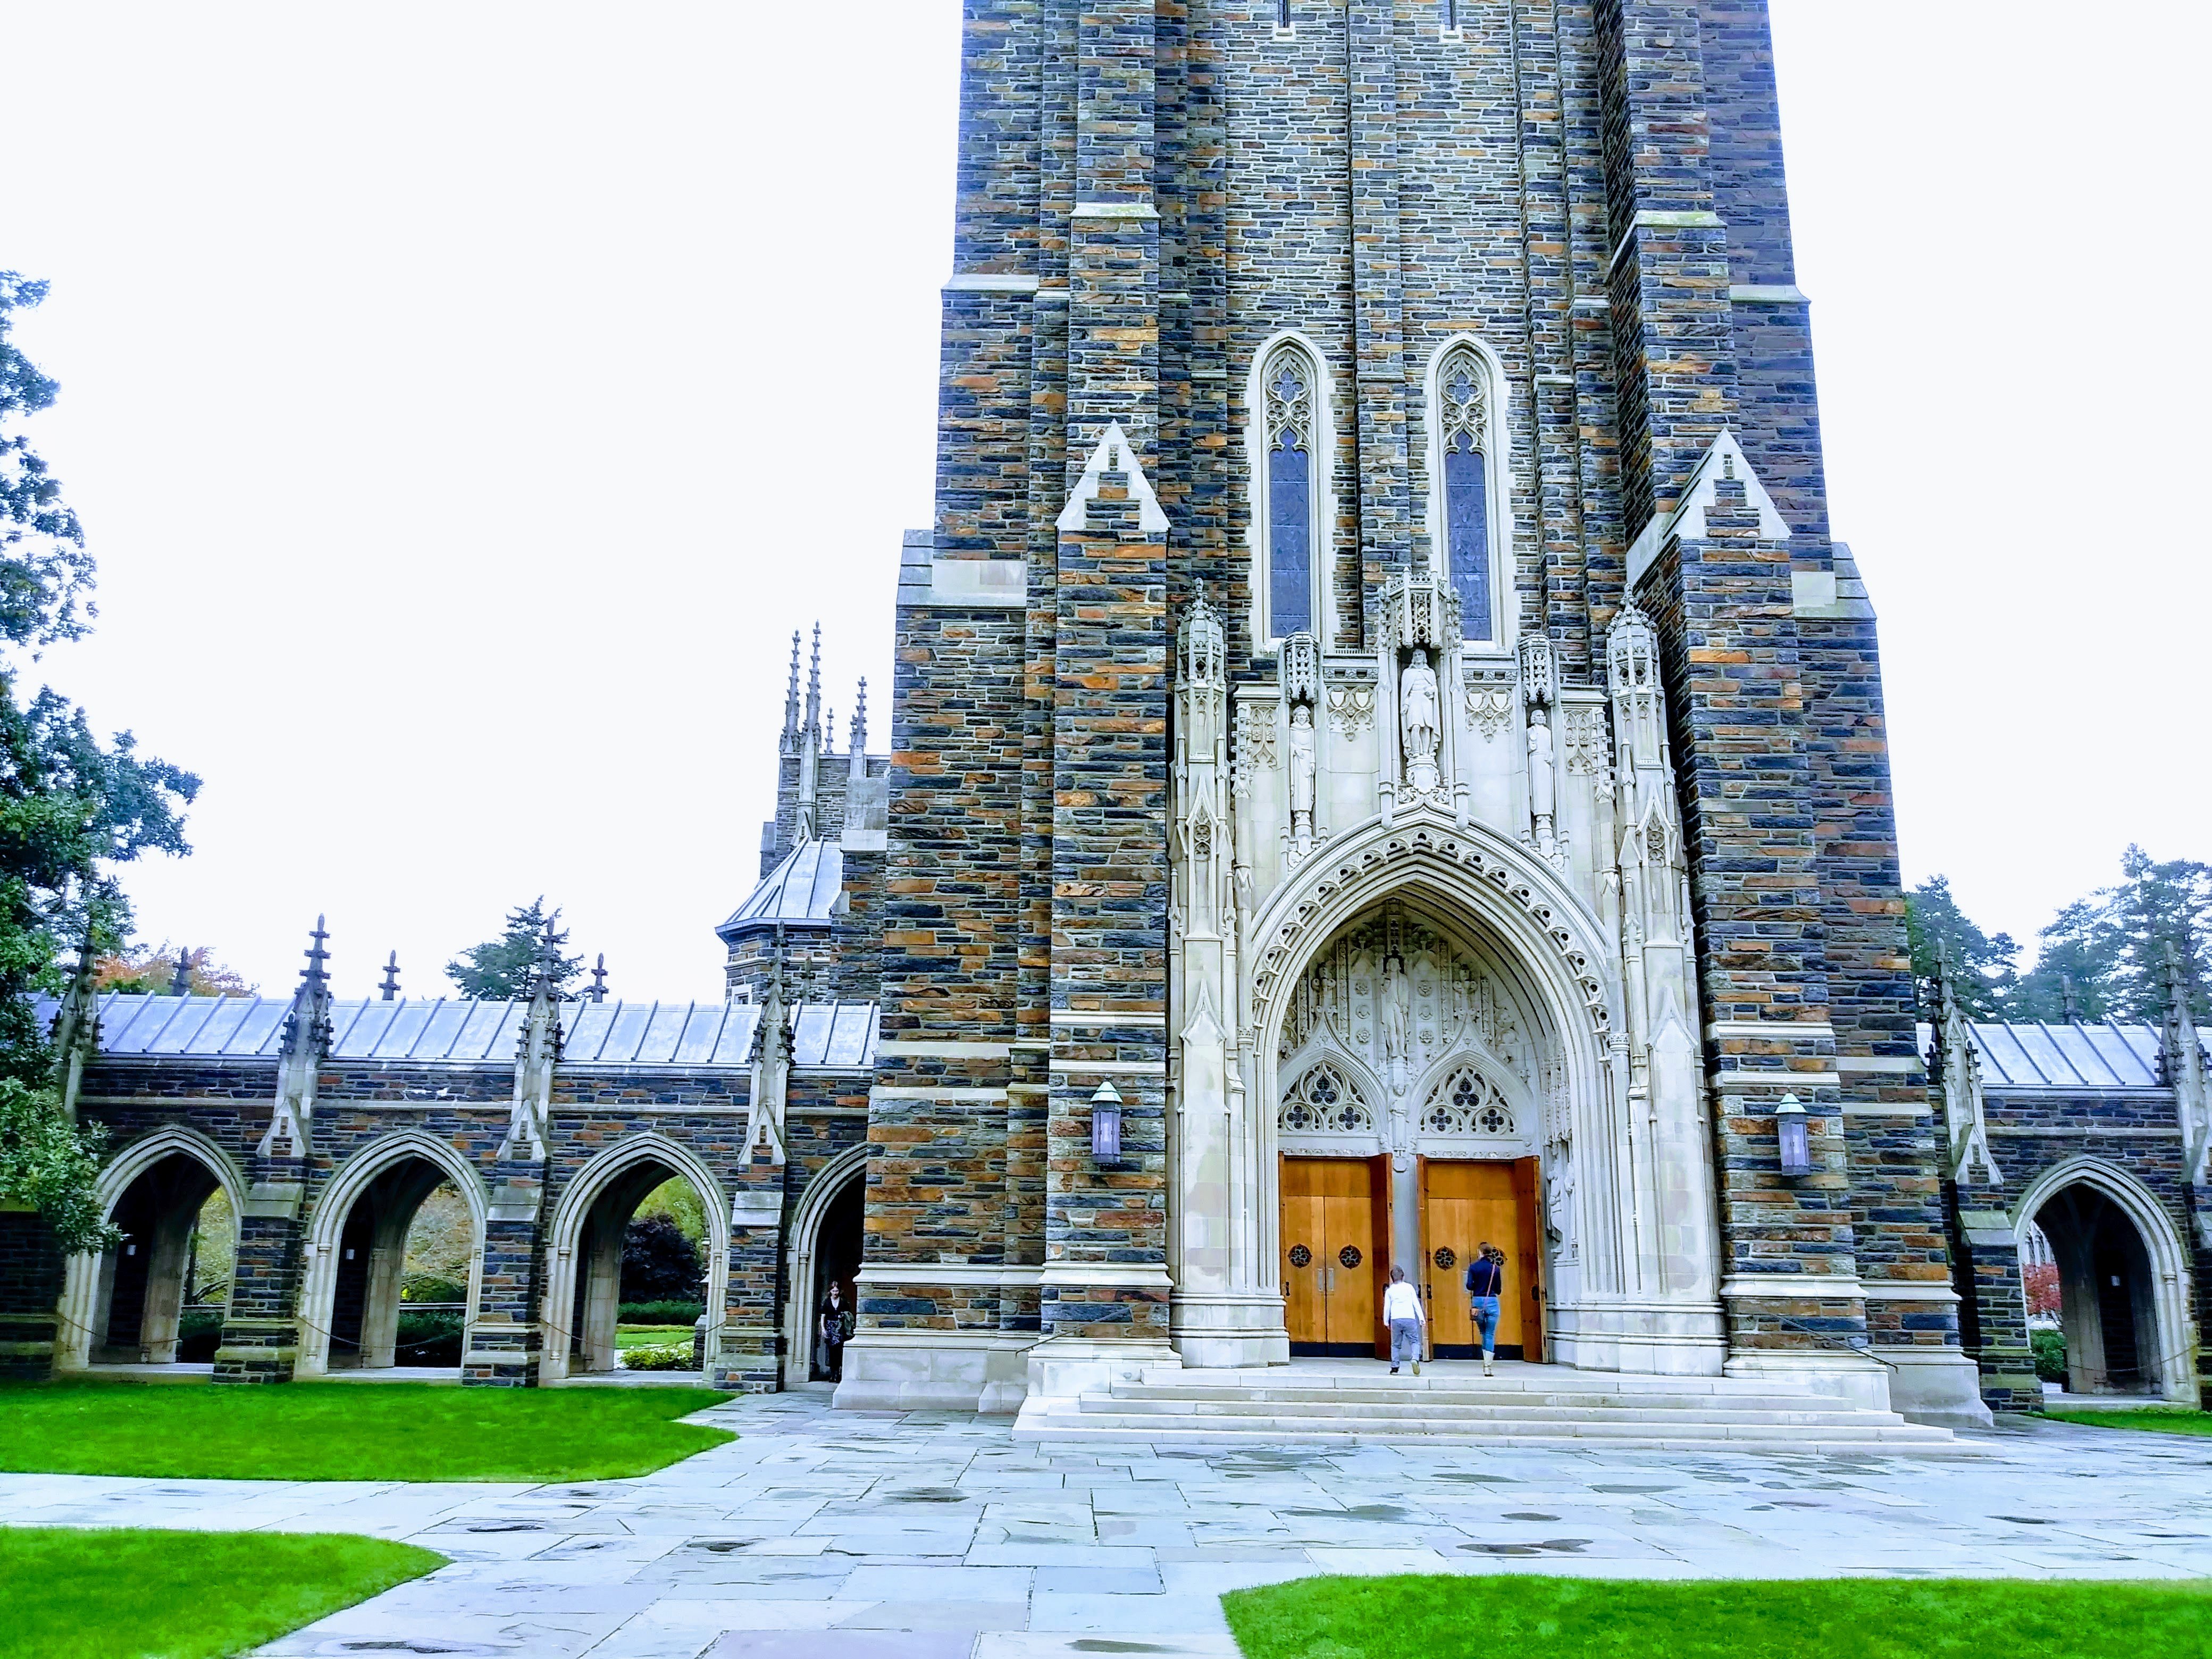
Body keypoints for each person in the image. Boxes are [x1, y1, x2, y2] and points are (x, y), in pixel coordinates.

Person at [1465, 1242, 1504, 1376]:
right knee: (1490, 1334)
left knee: (1483, 1333)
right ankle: (1488, 1367)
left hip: (1478, 1303)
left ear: (1480, 1252)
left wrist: (1477, 1285)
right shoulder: (1495, 1269)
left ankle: (1485, 1361)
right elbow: (1498, 1290)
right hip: (1492, 1302)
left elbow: (1469, 1286)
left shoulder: (1473, 1267)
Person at [1383, 1265, 1425, 1376]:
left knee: (1396, 1345)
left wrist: (1386, 1322)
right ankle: (1415, 1359)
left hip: (1396, 1319)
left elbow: (1387, 1307)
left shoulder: (1390, 1291)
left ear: (1392, 1277)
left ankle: (1395, 1368)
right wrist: (1421, 1318)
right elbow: (1416, 1303)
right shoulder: (1409, 1288)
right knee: (1415, 1341)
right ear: (1403, 1276)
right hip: (1409, 1318)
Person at [817, 1281, 854, 1383]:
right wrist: (823, 1329)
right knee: (831, 1351)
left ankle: (838, 1373)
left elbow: (848, 1315)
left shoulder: (843, 1302)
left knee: (839, 1351)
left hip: (840, 1328)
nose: (835, 1293)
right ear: (830, 1291)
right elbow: (823, 1316)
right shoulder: (827, 1302)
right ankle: (832, 1373)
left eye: (837, 1291)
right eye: (833, 1291)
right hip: (830, 1328)